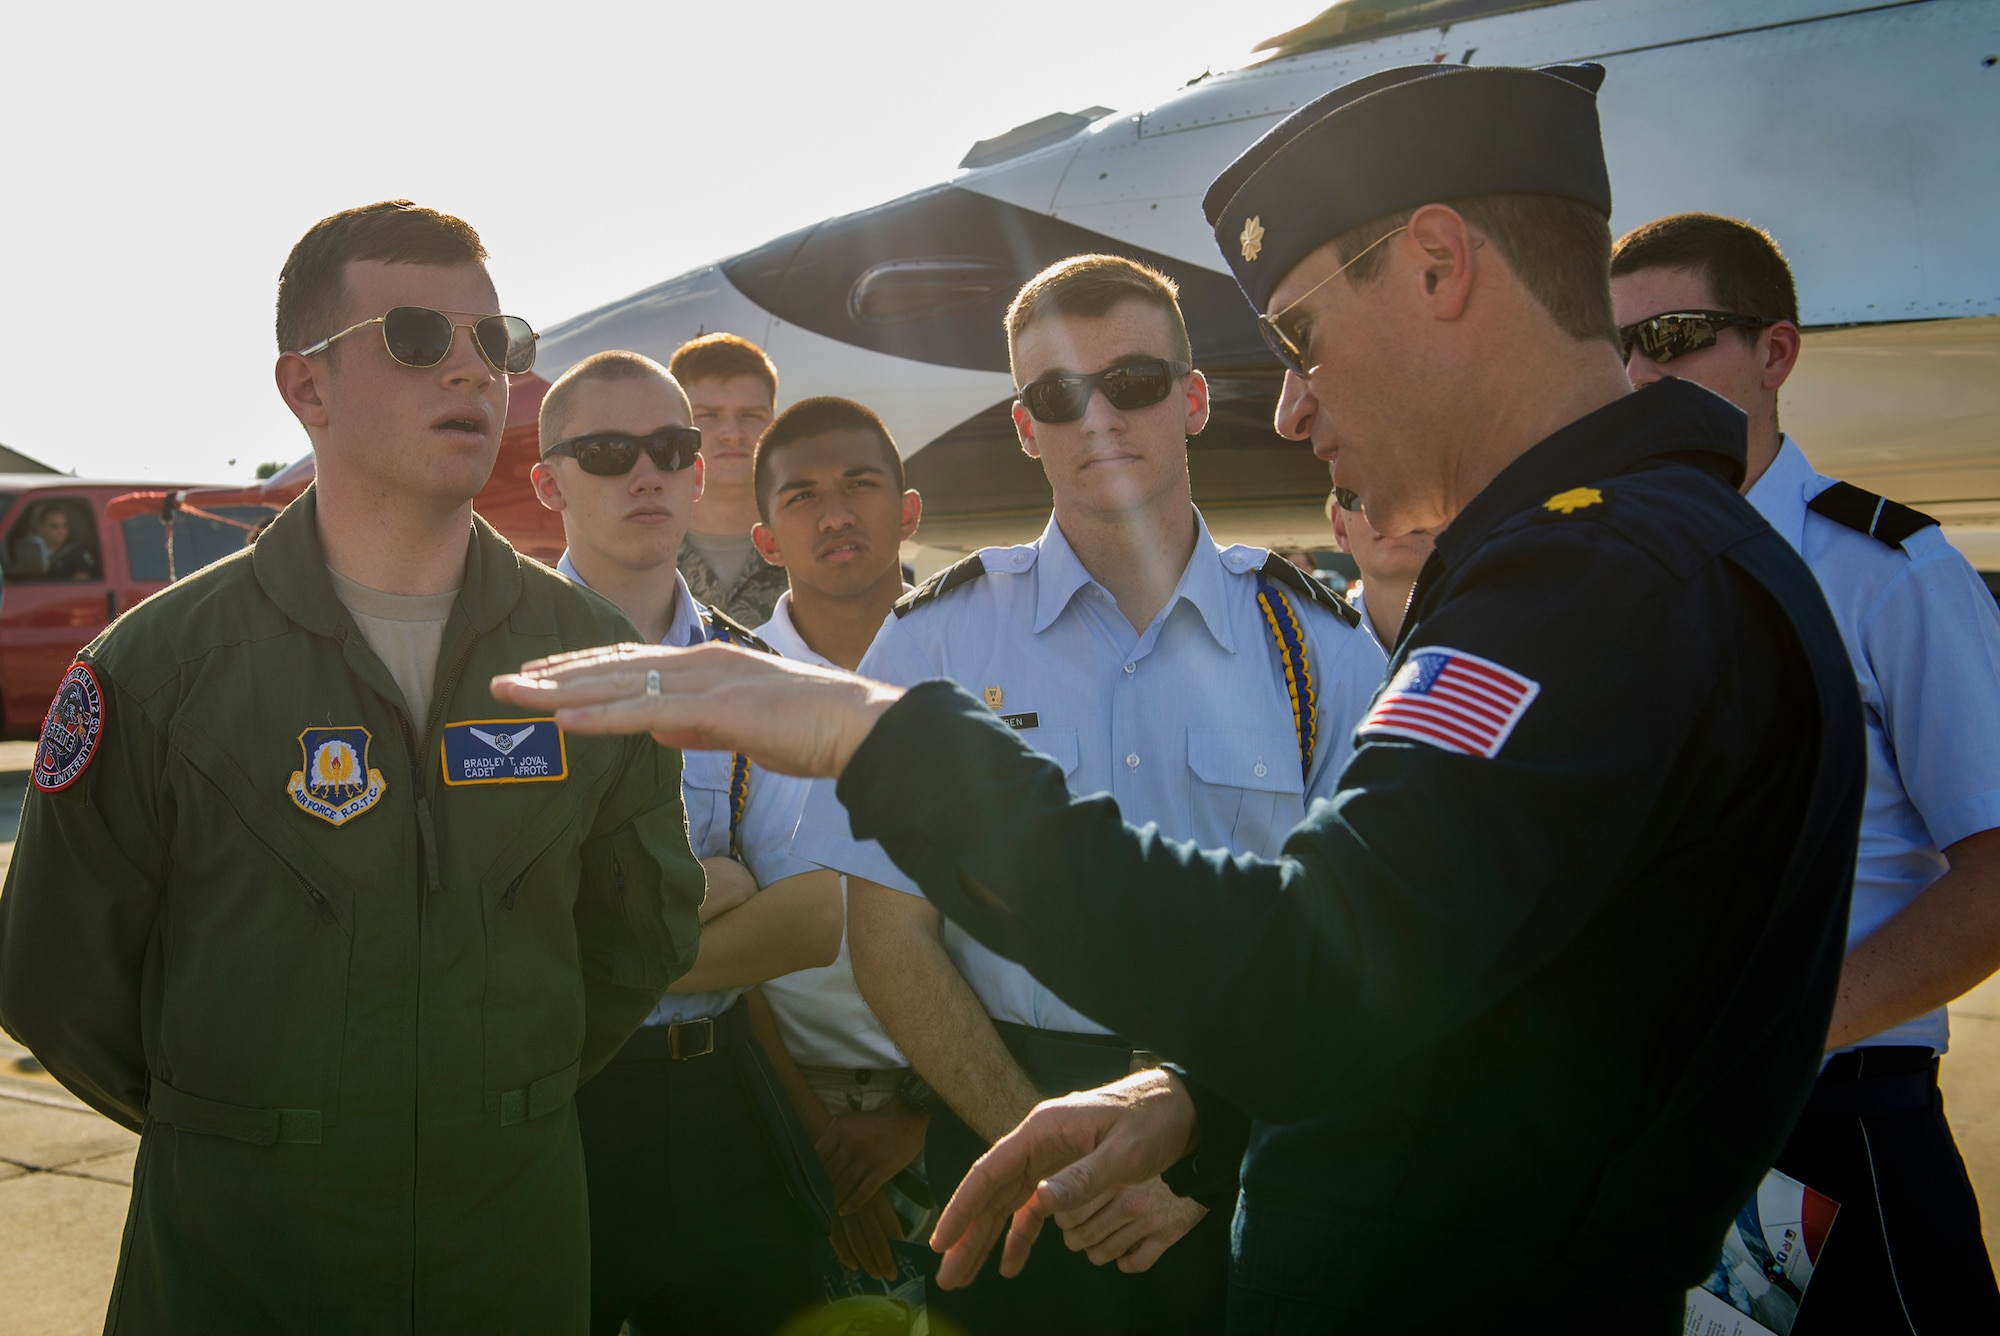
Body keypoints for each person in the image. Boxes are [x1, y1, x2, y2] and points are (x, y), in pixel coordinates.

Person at [492, 62, 1867, 1332]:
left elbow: (1307, 976)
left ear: (1442, 265)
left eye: (1310, 336)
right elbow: (1470, 985)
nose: (1296, 407)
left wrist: (874, 734)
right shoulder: (1641, 558)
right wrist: (1191, 1101)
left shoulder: (1592, 581)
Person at [0, 200, 706, 1333]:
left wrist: (478, 1105)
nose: (475, 373)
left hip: (505, 1266)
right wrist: (254, 1124)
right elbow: (57, 980)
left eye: (497, 341)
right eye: (420, 337)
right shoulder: (157, 671)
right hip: (243, 1275)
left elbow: (638, 938)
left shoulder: (586, 660)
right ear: (306, 388)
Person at [785, 253, 1380, 1335]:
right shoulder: (937, 633)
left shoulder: (1319, 644)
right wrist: (1066, 1161)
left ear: (1192, 400)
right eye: (1057, 397)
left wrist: (1202, 1128)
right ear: (1025, 428)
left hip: (1248, 1142)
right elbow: (888, 939)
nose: (1095, 416)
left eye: (1134, 382)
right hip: (1015, 1154)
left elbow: (1360, 939)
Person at [1612, 212, 2000, 1331]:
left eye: (1675, 334)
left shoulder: (1888, 571)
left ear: (1772, 353)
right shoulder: (1609, 580)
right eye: (1618, 346)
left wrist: (1781, 1034)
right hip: (1652, 1129)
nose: (1640, 372)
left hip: (1839, 1124)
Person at [528, 349, 842, 1336]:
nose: (646, 473)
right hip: (546, 1111)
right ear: (547, 482)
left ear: (699, 470)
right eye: (609, 450)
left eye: (670, 446)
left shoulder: (755, 673)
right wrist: (712, 880)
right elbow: (481, 919)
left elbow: (808, 918)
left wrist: (595, 932)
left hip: (719, 1107)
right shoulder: (487, 671)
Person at [741, 395, 937, 1299]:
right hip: (777, 1111)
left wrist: (923, 1123)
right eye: (801, 497)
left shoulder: (985, 666)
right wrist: (816, 1135)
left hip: (966, 1105)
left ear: (909, 509)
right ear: (766, 539)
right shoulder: (724, 696)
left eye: (861, 485)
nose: (835, 514)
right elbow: (722, 954)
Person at [667, 333, 790, 626]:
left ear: (772, 422)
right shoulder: (637, 553)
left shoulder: (814, 545)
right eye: (708, 416)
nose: (732, 433)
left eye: (750, 415)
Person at [1324, 487, 1433, 650]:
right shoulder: (1309, 656)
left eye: (1423, 487)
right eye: (1362, 494)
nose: (1395, 509)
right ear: (1341, 527)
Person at [15, 503, 98, 580]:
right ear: (40, 528)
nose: (61, 531)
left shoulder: (77, 554)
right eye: (54, 527)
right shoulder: (30, 553)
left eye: (65, 526)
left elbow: (82, 587)